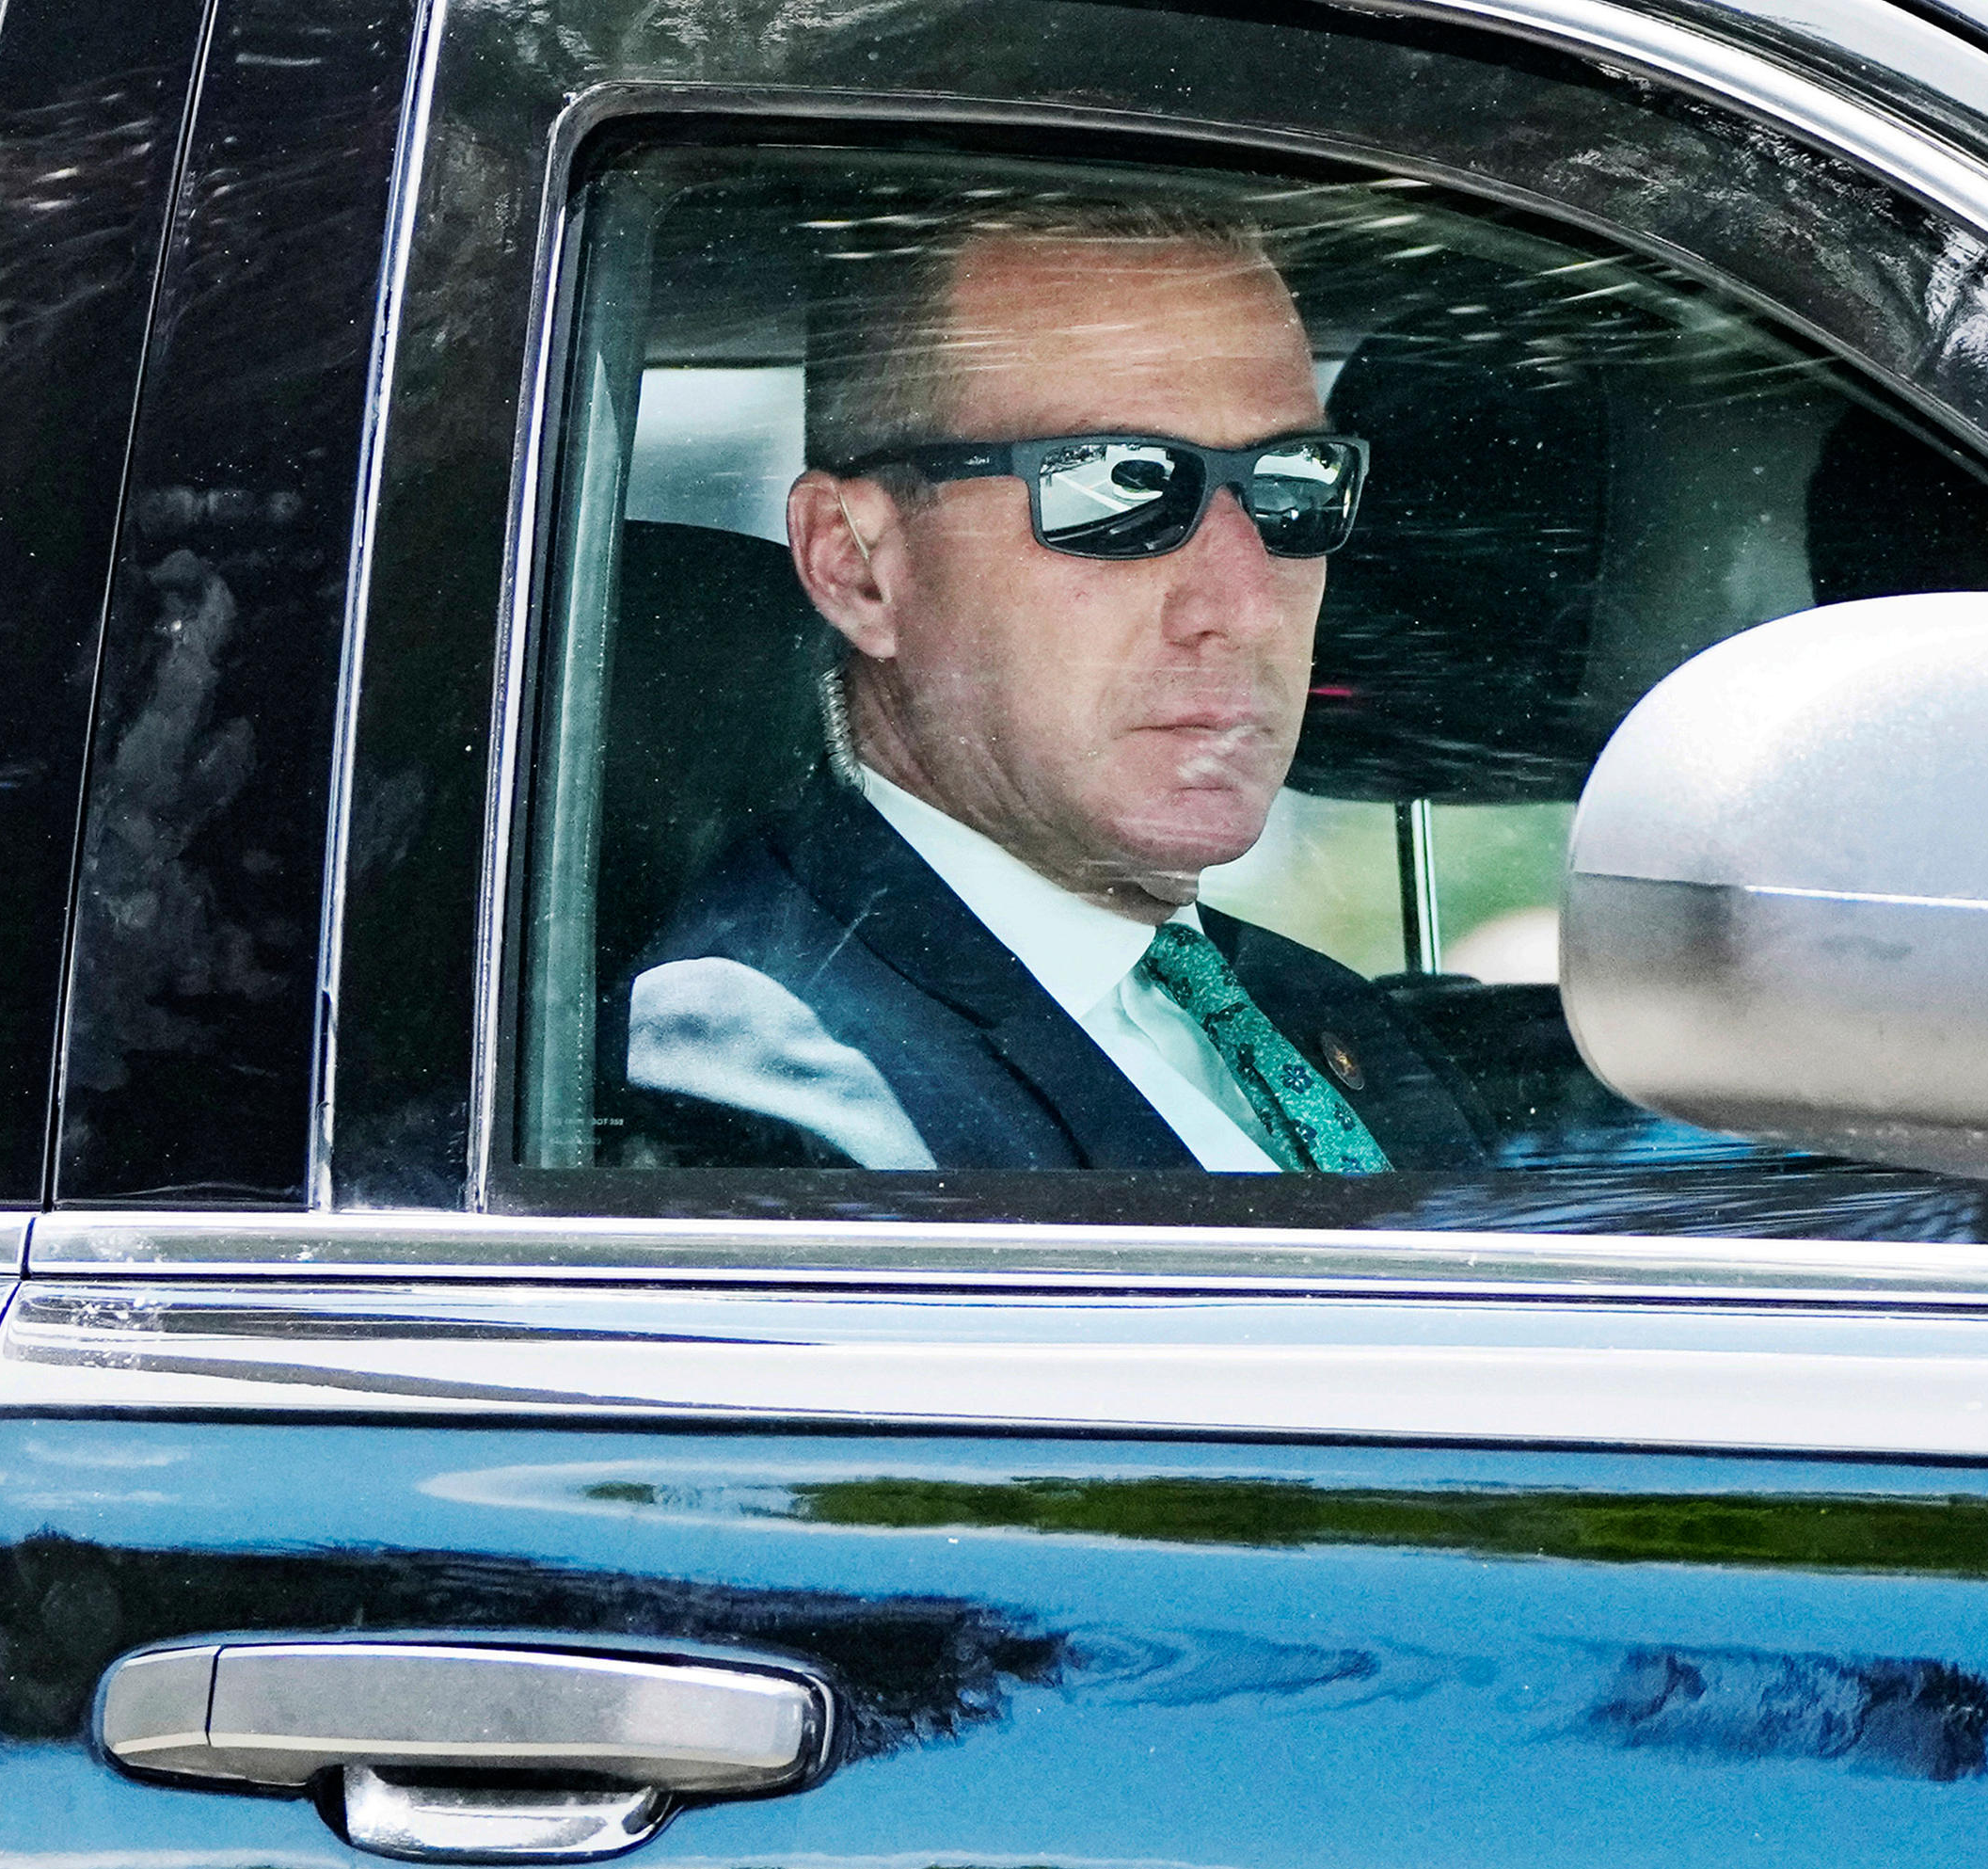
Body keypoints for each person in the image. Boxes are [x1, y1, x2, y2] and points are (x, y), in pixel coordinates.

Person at [621, 202, 1480, 1173]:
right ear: (855, 565)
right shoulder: (776, 1091)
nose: (1244, 604)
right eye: (1116, 486)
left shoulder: (1320, 1014)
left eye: (1293, 480)